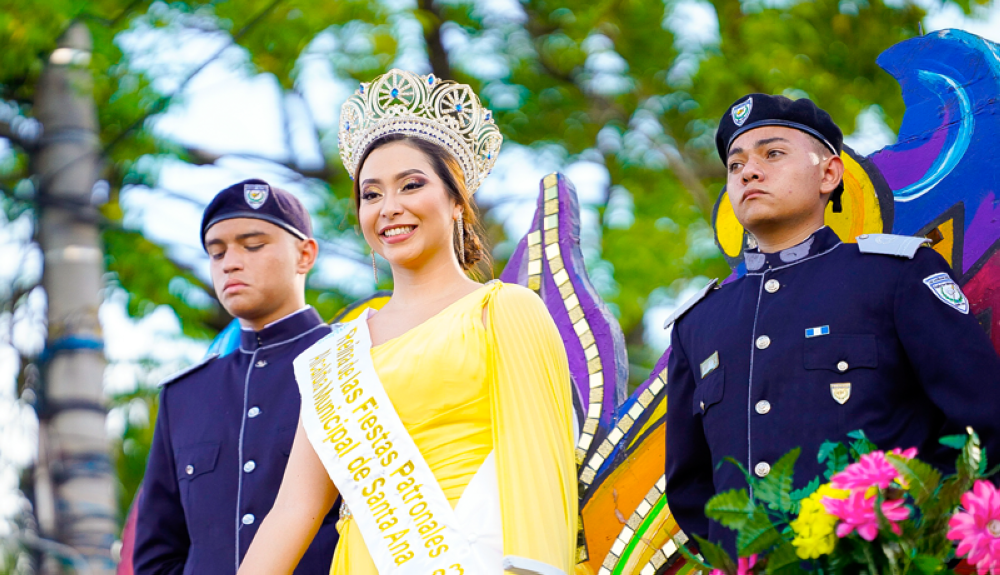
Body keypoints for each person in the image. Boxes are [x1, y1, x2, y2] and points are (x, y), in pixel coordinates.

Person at [235, 69, 578, 575]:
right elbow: (294, 510)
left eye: (411, 185)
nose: (389, 208)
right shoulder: (334, 356)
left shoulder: (505, 310)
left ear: (456, 199)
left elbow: (539, 472)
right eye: (371, 195)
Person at [663, 93, 1000, 551]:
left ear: (829, 174)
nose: (749, 171)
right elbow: (690, 490)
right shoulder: (699, 324)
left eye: (772, 153)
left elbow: (984, 424)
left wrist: (910, 536)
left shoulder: (895, 275)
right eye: (735, 165)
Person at [133, 179, 340, 574]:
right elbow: (157, 554)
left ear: (305, 254)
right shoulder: (185, 396)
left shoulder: (351, 360)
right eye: (216, 252)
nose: (230, 262)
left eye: (253, 245)